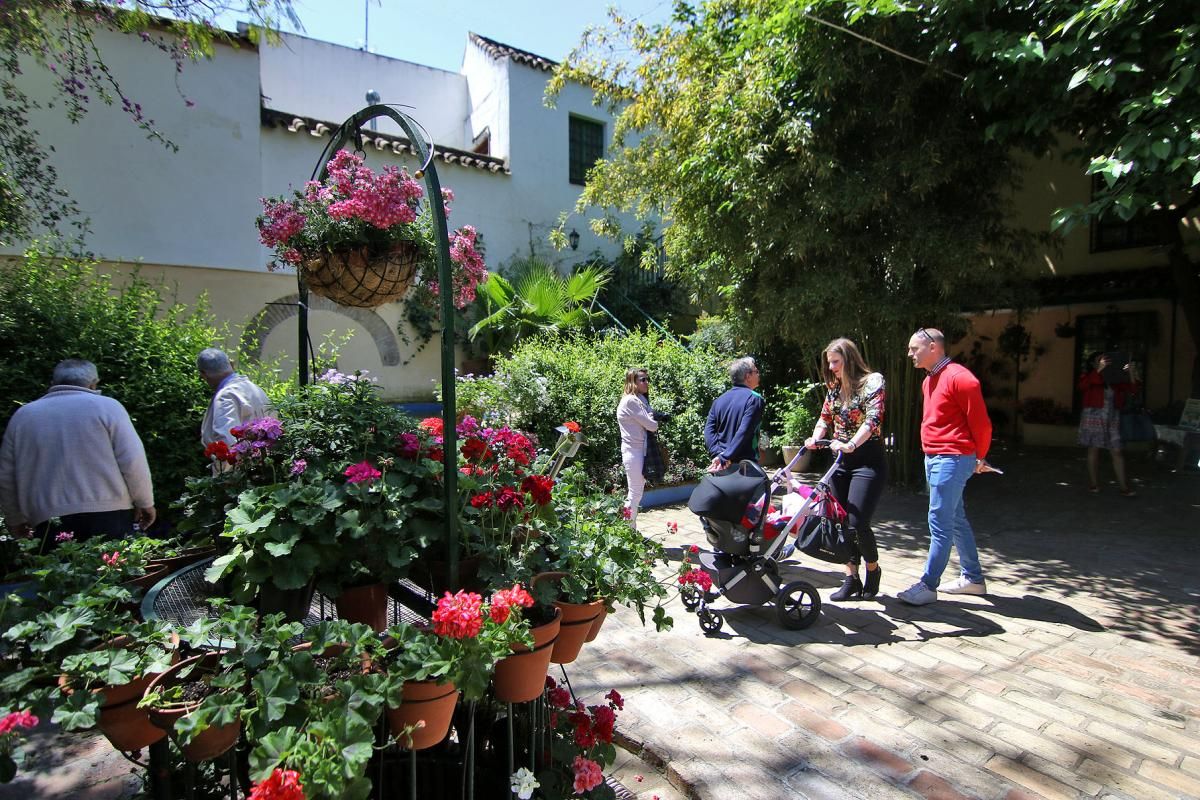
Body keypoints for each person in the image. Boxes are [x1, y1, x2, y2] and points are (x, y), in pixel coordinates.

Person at [0, 359, 155, 543]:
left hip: (47, 518)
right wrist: (145, 503)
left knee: (61, 569)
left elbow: (6, 477)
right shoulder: (107, 407)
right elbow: (132, 460)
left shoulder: (22, 417)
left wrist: (15, 519)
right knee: (115, 569)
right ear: (93, 383)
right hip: (110, 511)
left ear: (53, 383)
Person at [898, 328, 994, 606]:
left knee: (939, 522)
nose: (909, 355)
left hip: (952, 458)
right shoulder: (929, 380)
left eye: (914, 349)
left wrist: (980, 456)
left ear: (933, 347)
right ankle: (973, 579)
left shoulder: (961, 378)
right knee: (955, 519)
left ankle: (928, 585)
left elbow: (982, 424)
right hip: (936, 458)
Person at [803, 338, 887, 601]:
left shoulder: (872, 382)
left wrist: (851, 443)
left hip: (866, 457)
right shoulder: (834, 387)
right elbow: (825, 418)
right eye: (829, 362)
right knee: (840, 522)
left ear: (849, 359)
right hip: (840, 459)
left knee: (858, 521)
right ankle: (851, 577)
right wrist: (816, 437)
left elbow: (873, 421)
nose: (832, 367)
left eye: (836, 362)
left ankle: (873, 570)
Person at [1077, 352, 1138, 496]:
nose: (1104, 362)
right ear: (1093, 363)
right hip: (1094, 416)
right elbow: (1082, 386)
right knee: (1094, 449)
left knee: (1117, 451)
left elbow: (1133, 390)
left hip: (1112, 418)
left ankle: (1124, 487)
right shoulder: (1089, 376)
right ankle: (1093, 484)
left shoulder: (1115, 379)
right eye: (1099, 360)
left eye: (1105, 360)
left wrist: (1131, 373)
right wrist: (1098, 370)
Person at [616, 367, 667, 529]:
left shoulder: (640, 399)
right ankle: (627, 531)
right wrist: (652, 419)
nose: (647, 382)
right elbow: (652, 426)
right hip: (633, 452)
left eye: (647, 379)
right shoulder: (630, 401)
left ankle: (630, 530)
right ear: (633, 382)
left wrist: (651, 417)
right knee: (635, 493)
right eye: (642, 380)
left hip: (641, 451)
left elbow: (650, 418)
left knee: (636, 493)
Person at [198, 348, 272, 449]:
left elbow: (226, 441)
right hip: (265, 461)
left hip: (242, 463)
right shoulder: (256, 389)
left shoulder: (225, 396)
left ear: (204, 374)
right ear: (231, 364)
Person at [704, 357, 765, 472]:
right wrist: (725, 456)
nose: (758, 374)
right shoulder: (755, 399)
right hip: (745, 467)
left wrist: (718, 454)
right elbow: (745, 431)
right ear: (748, 376)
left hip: (721, 466)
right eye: (756, 371)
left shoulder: (719, 400)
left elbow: (709, 431)